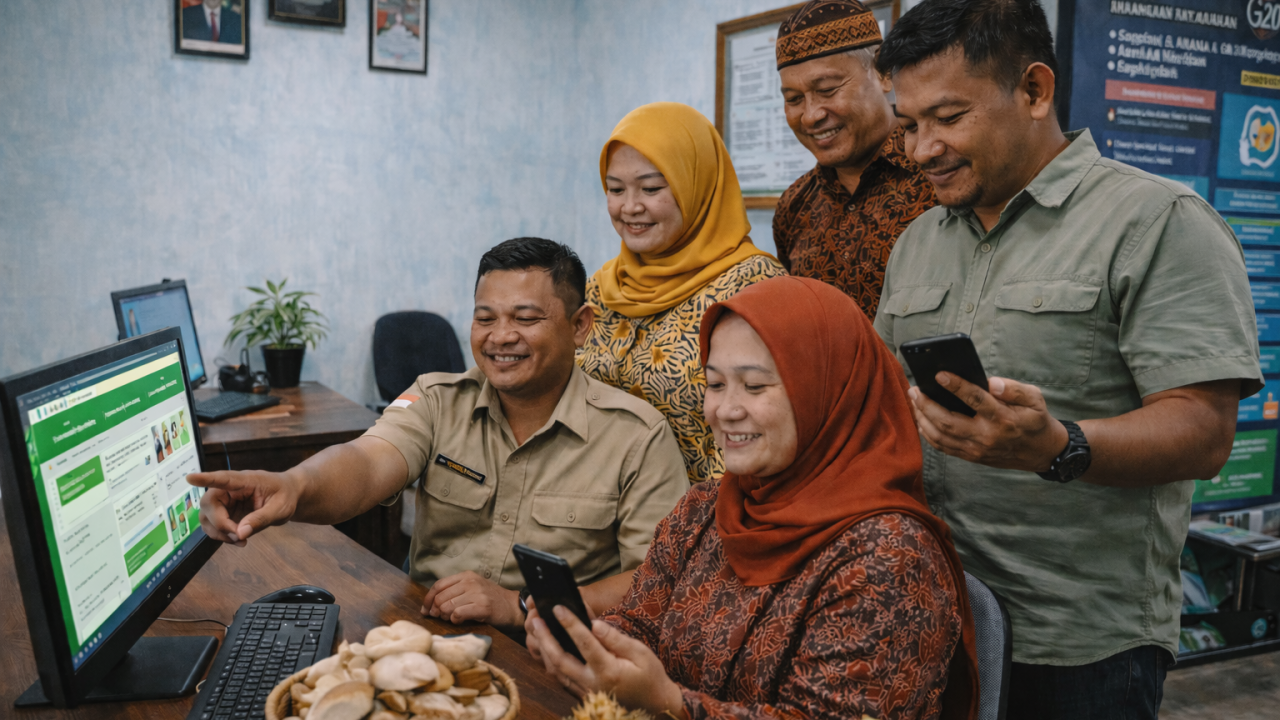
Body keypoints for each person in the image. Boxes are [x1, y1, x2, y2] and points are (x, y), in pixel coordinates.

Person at [872, 1, 1263, 716]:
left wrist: (1059, 446)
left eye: (948, 118)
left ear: (1034, 91)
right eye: (909, 125)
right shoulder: (919, 240)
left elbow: (1205, 432)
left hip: (1079, 646)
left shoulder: (1156, 224)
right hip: (931, 614)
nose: (922, 149)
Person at [529, 276, 978, 720]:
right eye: (716, 384)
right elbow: (640, 622)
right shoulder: (705, 509)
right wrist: (586, 643)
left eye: (755, 386)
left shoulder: (891, 556)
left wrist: (669, 703)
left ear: (827, 392)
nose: (725, 410)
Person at [189, 238, 689, 631]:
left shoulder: (636, 437)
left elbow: (654, 585)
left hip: (552, 654)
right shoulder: (435, 399)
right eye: (484, 317)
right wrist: (293, 488)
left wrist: (520, 606)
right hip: (429, 631)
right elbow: (365, 464)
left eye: (526, 318)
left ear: (580, 326)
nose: (500, 336)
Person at [578, 102, 785, 483]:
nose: (630, 207)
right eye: (615, 189)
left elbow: (776, 425)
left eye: (652, 188)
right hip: (595, 511)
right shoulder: (601, 287)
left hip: (707, 518)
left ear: (697, 184)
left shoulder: (756, 286)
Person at [771, 0, 936, 319]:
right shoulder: (794, 208)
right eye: (793, 99)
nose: (810, 116)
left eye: (828, 90)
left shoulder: (938, 174)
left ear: (883, 73)